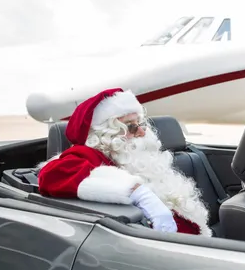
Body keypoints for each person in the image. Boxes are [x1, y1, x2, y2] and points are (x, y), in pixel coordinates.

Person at [37, 87, 212, 237]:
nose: (142, 132)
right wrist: (139, 193)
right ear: (104, 134)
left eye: (140, 124)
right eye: (130, 126)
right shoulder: (88, 154)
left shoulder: (131, 157)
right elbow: (52, 175)